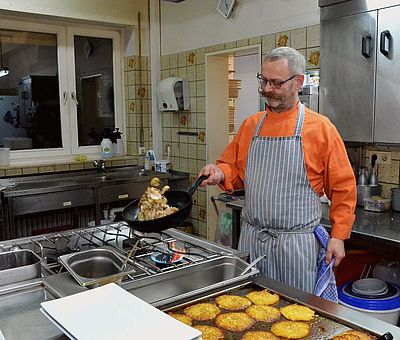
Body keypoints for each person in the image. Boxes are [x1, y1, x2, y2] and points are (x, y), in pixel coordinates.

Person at [199, 47, 356, 299]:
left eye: (276, 82)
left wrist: (338, 236)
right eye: (264, 80)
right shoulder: (251, 125)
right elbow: (233, 169)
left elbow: (343, 188)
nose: (268, 89)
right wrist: (219, 172)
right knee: (248, 312)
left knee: (296, 317)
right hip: (252, 241)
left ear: (298, 82)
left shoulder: (320, 128)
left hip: (295, 246)